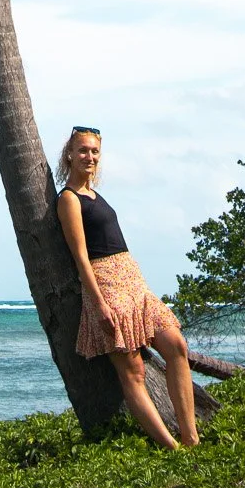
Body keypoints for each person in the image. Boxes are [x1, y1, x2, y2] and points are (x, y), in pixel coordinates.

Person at [55, 125, 200, 449]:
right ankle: (170, 447)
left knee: (175, 344)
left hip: (131, 280)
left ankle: (191, 438)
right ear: (69, 154)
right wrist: (100, 304)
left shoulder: (95, 194)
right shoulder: (69, 199)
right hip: (105, 283)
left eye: (94, 151)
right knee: (132, 370)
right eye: (82, 150)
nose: (89, 156)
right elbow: (80, 257)